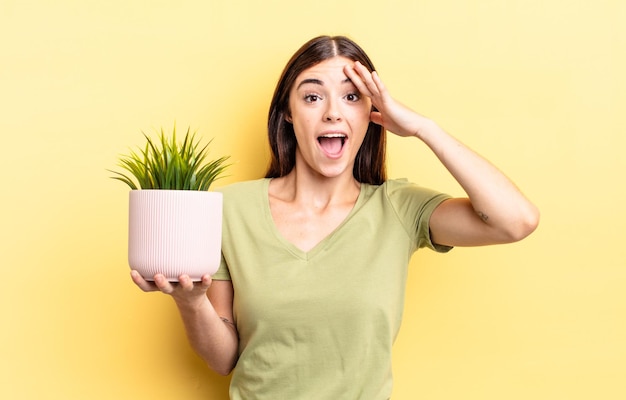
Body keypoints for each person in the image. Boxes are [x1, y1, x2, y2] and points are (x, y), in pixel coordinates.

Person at [131, 35, 539, 399]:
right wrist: (191, 302)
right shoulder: (229, 210)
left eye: (352, 97)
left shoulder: (398, 208)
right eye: (312, 97)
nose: (332, 113)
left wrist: (422, 128)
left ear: (372, 113)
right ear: (288, 113)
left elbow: (515, 221)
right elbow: (223, 359)